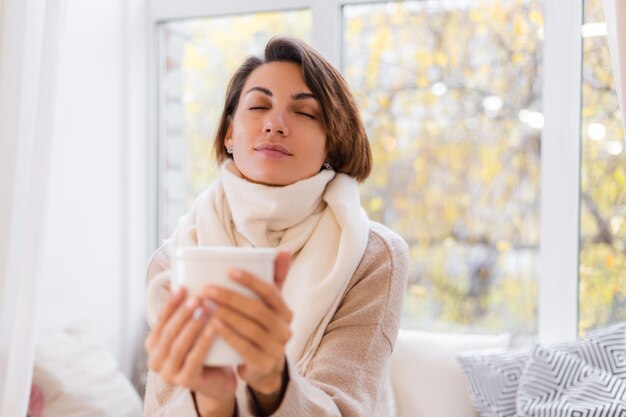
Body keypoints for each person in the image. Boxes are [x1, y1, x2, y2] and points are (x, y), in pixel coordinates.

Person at [143, 36, 408, 417]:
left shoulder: (373, 255)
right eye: (258, 105)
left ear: (332, 142)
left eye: (304, 113)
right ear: (229, 133)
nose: (275, 124)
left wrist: (273, 382)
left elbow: (347, 408)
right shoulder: (174, 259)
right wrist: (213, 400)